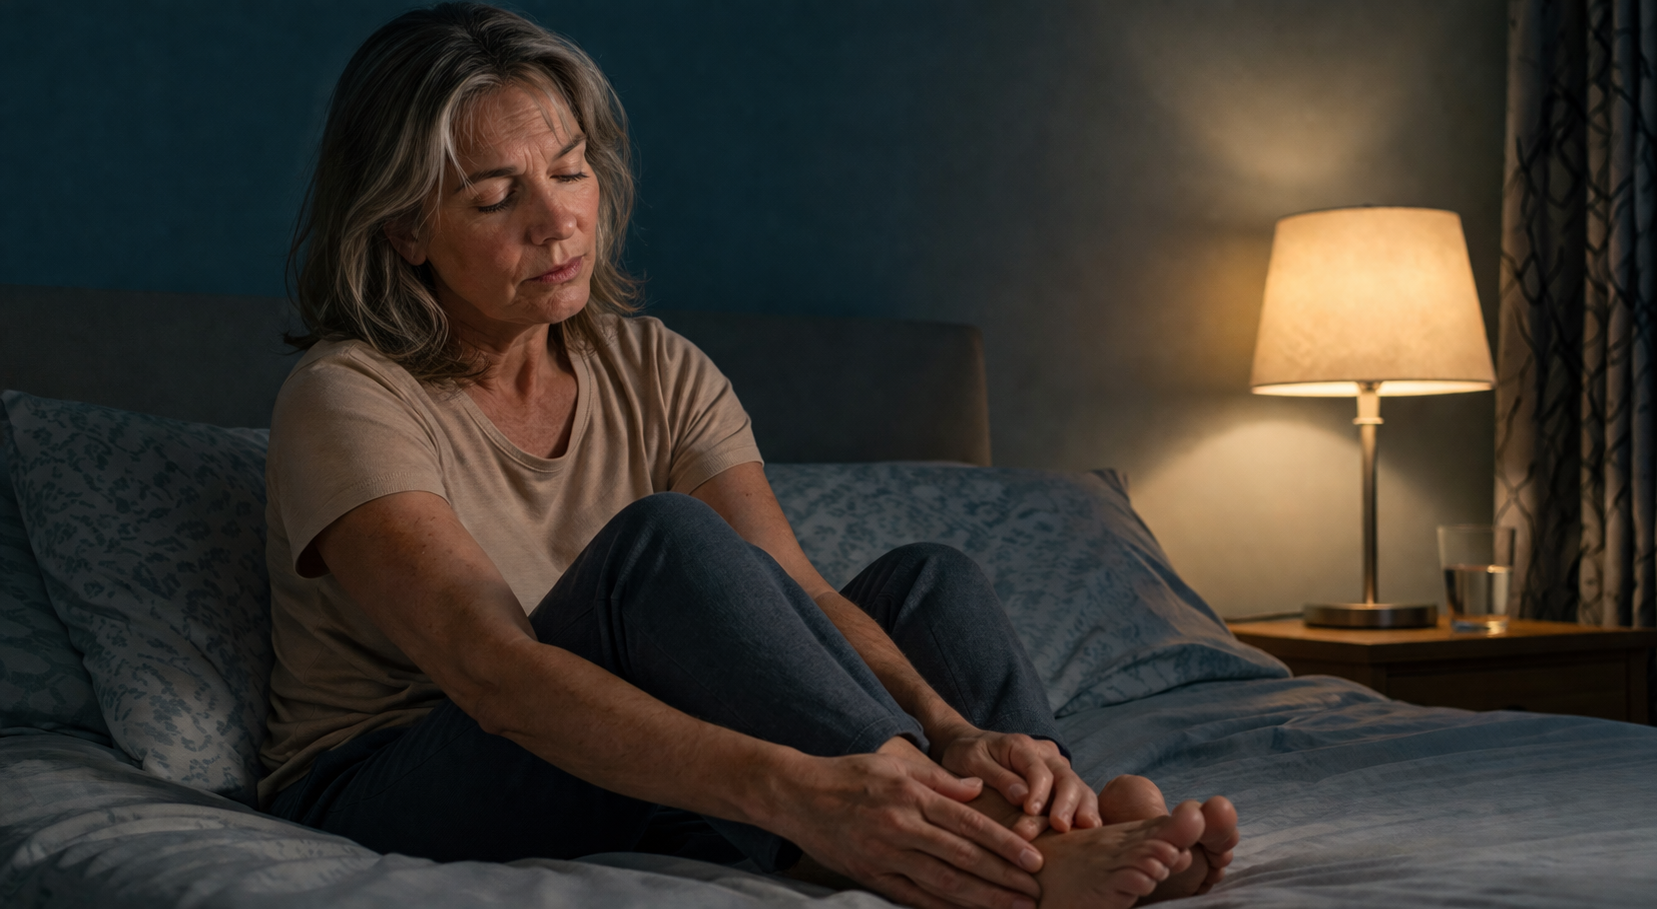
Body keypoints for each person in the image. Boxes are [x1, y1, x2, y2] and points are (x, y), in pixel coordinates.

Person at [258, 5, 1239, 908]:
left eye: (569, 169)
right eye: (492, 196)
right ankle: (998, 860)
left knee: (925, 585)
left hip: (623, 753)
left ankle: (1042, 819)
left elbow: (794, 587)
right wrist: (803, 789)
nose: (557, 219)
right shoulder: (349, 397)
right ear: (405, 231)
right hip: (407, 779)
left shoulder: (659, 367)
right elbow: (496, 677)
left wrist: (952, 728)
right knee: (657, 551)